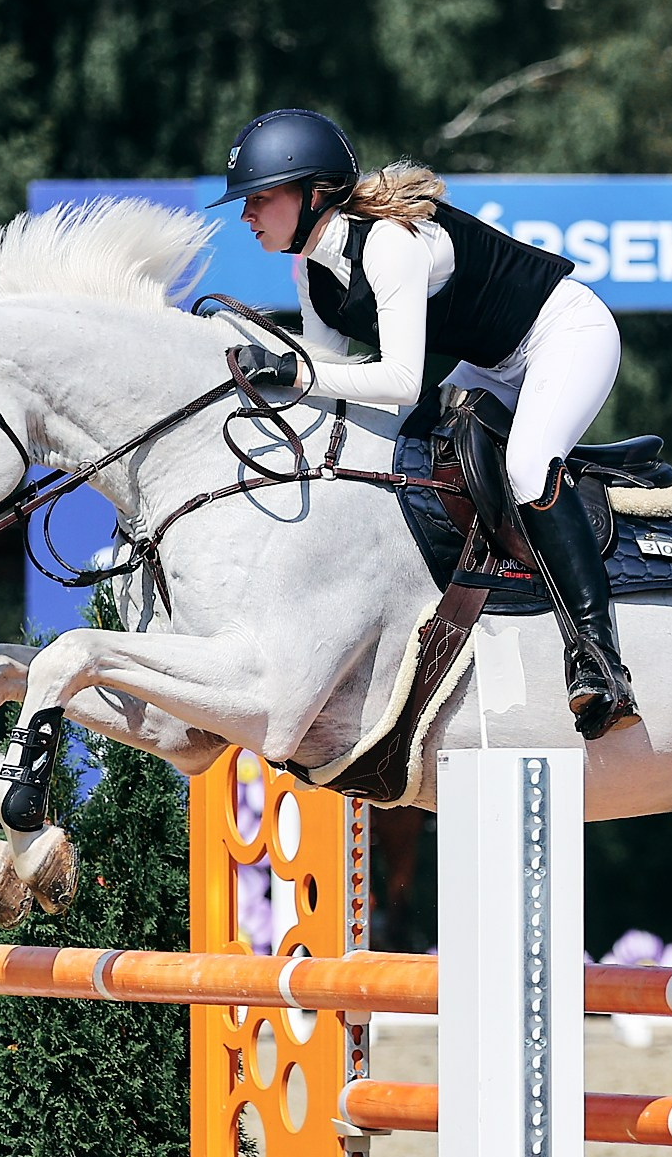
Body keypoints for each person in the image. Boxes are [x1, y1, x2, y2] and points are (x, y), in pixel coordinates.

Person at [214, 108, 640, 738]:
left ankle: (599, 660)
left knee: (527, 465)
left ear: (314, 195)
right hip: (490, 365)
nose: (246, 213)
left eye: (259, 197)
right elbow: (331, 379)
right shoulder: (312, 270)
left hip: (564, 333)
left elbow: (395, 380)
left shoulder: (386, 243)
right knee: (409, 451)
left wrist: (295, 376)